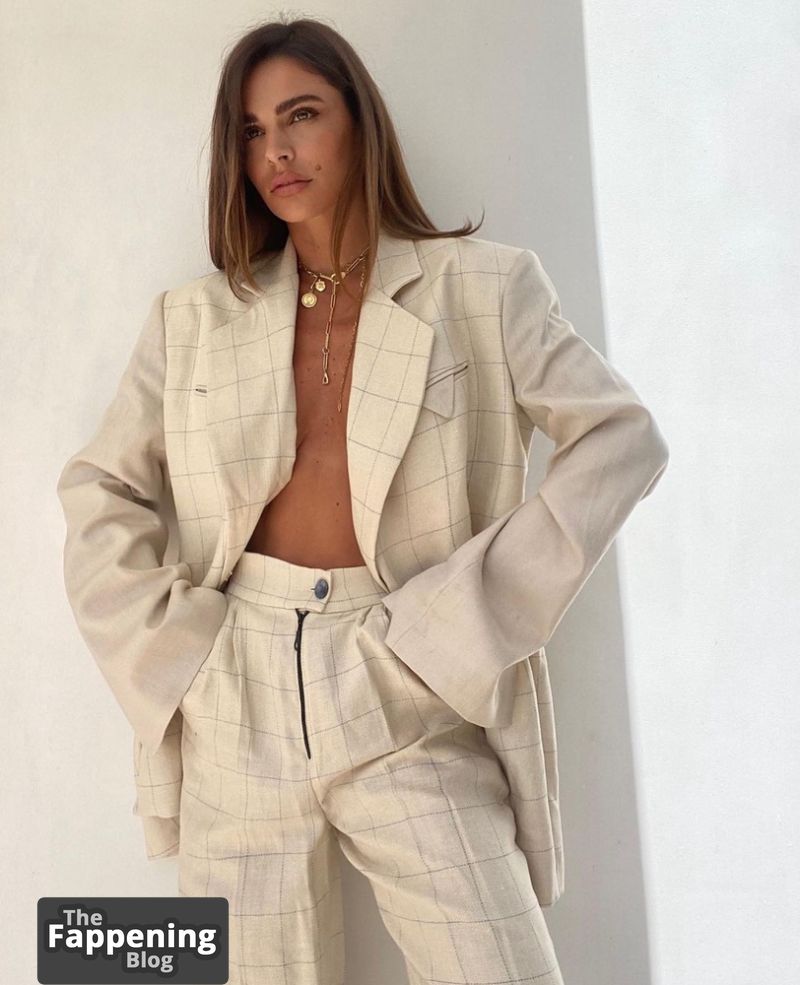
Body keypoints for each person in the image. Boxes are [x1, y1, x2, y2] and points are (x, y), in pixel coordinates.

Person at [56, 15, 669, 985]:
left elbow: (620, 439)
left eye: (300, 115)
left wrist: (458, 621)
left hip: (404, 676)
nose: (276, 150)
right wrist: (182, 655)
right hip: (236, 687)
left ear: (359, 122)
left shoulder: (483, 286)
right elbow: (101, 487)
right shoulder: (194, 319)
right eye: (251, 131)